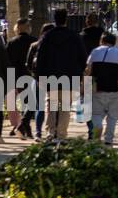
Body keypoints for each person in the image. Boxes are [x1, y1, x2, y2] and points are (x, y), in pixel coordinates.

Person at [35, 10, 86, 139]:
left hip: (51, 76)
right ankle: (62, 133)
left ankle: (50, 132)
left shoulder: (47, 37)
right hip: (70, 77)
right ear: (66, 20)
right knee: (65, 107)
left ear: (55, 19)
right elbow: (83, 58)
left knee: (51, 105)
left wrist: (39, 76)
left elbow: (40, 58)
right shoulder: (74, 37)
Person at [84, 32, 118, 146]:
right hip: (114, 89)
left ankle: (97, 128)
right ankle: (108, 139)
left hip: (98, 88)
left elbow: (88, 70)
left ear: (101, 40)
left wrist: (85, 87)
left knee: (96, 114)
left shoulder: (95, 51)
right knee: (112, 116)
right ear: (114, 42)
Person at [5, 20, 36, 140]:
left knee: (18, 103)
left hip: (14, 76)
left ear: (17, 28)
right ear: (28, 28)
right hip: (30, 75)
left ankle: (21, 126)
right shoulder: (34, 41)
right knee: (29, 103)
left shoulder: (11, 43)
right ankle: (23, 127)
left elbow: (7, 61)